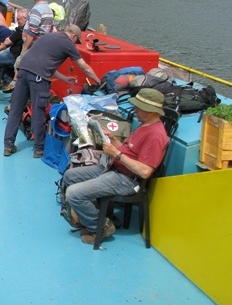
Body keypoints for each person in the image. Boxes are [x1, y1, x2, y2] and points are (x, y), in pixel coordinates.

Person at [61, 88, 170, 245]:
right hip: (114, 167)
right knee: (70, 176)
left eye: (139, 107)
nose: (135, 110)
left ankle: (101, 226)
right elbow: (130, 151)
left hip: (126, 179)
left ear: (151, 111)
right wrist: (113, 140)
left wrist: (116, 154)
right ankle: (97, 214)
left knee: (73, 194)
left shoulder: (155, 136)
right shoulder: (145, 125)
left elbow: (145, 171)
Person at [3, 24, 100, 158]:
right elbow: (84, 67)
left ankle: (8, 146)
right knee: (39, 112)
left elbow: (46, 63)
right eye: (76, 41)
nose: (75, 44)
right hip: (38, 79)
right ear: (73, 36)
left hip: (23, 71)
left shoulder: (48, 36)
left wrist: (65, 78)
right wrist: (98, 81)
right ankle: (39, 149)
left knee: (16, 109)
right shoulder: (67, 43)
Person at [2, 0, 55, 93]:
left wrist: (25, 48)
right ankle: (15, 85)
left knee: (21, 66)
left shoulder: (37, 10)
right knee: (20, 65)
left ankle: (15, 88)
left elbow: (32, 31)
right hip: (42, 46)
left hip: (33, 46)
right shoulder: (49, 10)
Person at [0, 8, 28, 82]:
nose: (17, 21)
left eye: (19, 19)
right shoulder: (28, 29)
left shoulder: (20, 31)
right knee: (2, 53)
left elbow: (7, 42)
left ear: (25, 19)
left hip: (14, 55)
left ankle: (6, 78)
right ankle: (7, 75)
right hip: (15, 53)